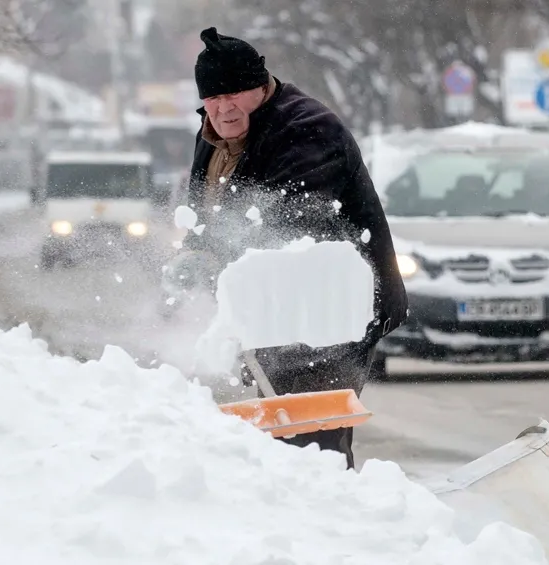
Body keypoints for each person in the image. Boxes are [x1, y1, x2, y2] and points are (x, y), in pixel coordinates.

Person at [171, 27, 408, 469]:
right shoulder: (213, 136)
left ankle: (337, 523)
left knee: (313, 447)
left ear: (262, 87)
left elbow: (290, 226)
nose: (225, 107)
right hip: (274, 315)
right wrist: (192, 252)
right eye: (213, 97)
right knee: (281, 436)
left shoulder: (306, 129)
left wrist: (216, 263)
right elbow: (206, 215)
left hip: (326, 315)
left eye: (236, 93)